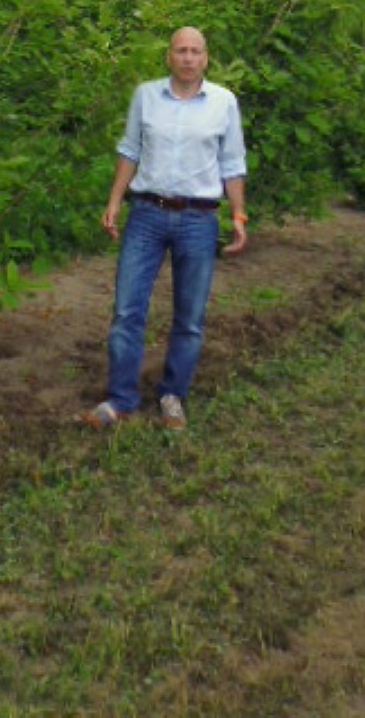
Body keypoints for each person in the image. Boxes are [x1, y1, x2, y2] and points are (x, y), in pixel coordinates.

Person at [85, 26, 248, 432]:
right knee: (127, 311)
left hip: (199, 220)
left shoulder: (224, 102)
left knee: (189, 318)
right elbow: (130, 150)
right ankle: (121, 400)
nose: (188, 58)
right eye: (181, 50)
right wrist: (114, 200)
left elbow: (232, 163)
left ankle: (172, 396)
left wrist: (238, 216)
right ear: (169, 56)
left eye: (195, 51)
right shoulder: (146, 96)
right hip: (147, 214)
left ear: (206, 58)